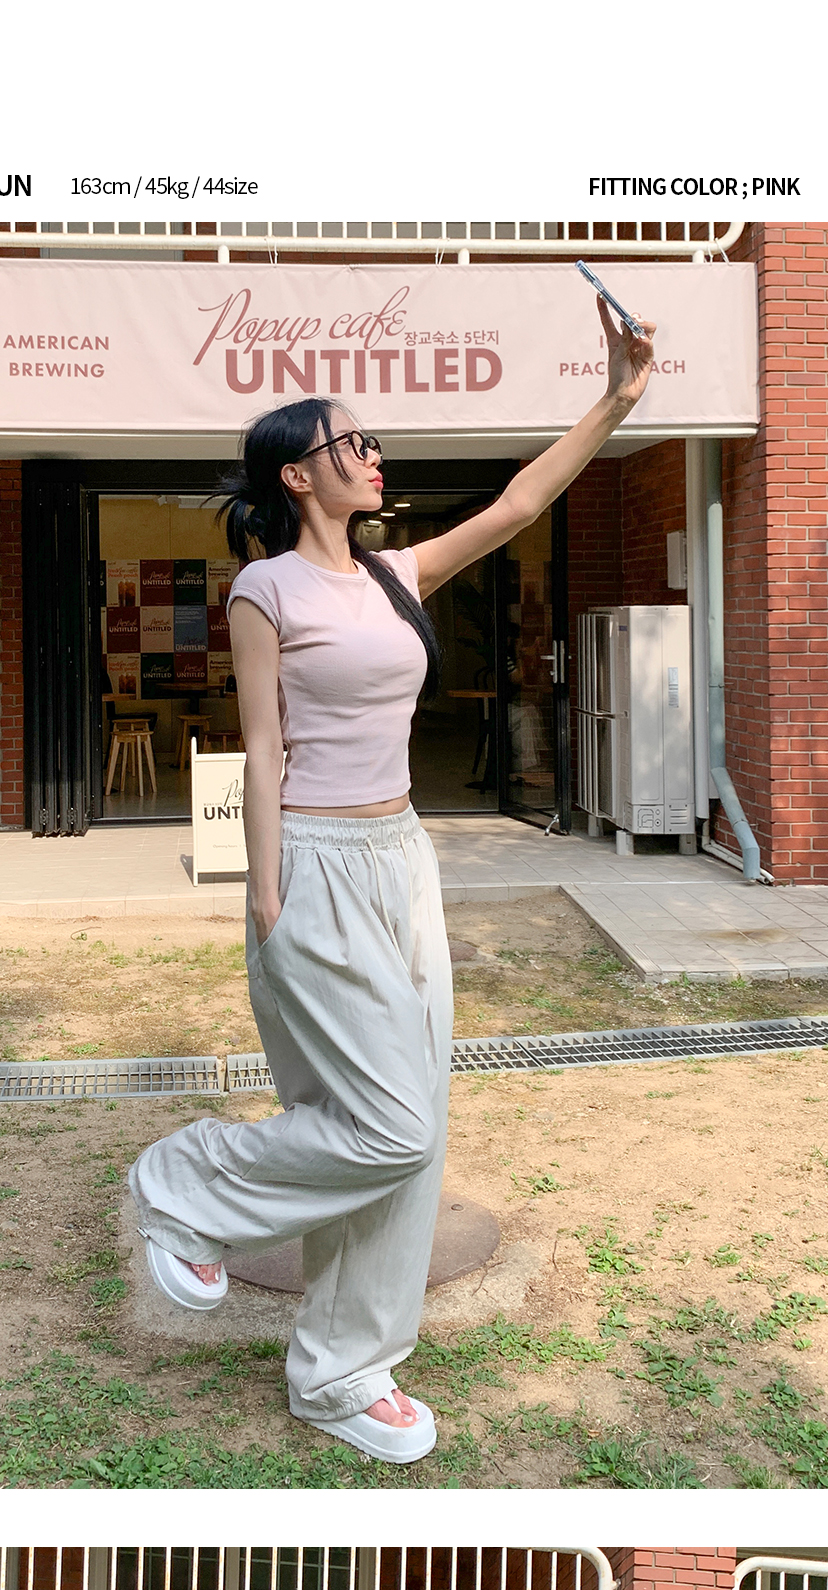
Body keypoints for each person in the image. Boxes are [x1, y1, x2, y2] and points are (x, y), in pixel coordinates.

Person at [128, 296, 653, 1466]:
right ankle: (183, 1186)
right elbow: (264, 750)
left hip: (401, 857)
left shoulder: (396, 574)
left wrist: (617, 399)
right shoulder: (265, 592)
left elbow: (520, 504)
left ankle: (342, 1370)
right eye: (352, 442)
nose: (375, 455)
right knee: (386, 1127)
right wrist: (268, 896)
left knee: (412, 1127)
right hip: (313, 859)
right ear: (297, 476)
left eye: (371, 441)